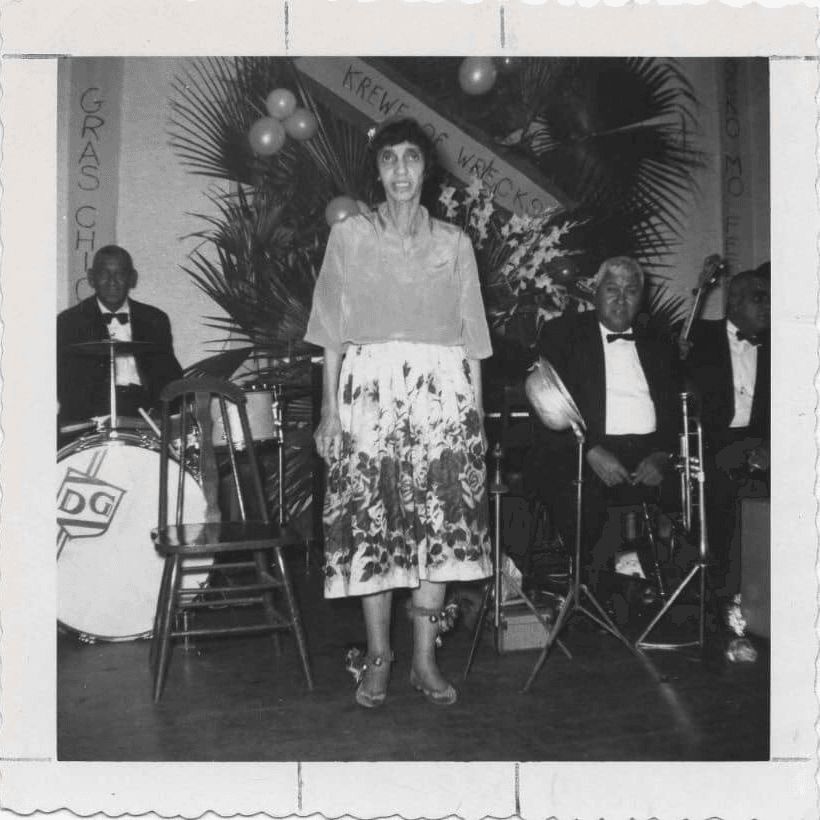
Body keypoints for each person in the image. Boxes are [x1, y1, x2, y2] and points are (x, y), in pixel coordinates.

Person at [305, 118, 493, 708]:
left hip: (443, 399)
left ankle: (424, 660)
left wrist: (476, 419)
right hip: (369, 398)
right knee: (373, 529)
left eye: (413, 158)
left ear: (425, 169)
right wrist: (330, 415)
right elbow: (330, 335)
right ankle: (380, 658)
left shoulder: (455, 243)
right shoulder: (350, 237)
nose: (403, 170)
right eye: (391, 159)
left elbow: (473, 341)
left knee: (439, 529)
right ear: (379, 170)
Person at [528, 256, 679, 579]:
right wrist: (591, 451)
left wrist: (662, 455)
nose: (621, 299)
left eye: (631, 291)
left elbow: (674, 410)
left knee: (709, 490)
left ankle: (681, 596)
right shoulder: (562, 334)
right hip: (583, 452)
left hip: (649, 453)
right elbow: (545, 404)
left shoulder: (659, 340)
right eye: (612, 289)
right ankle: (599, 595)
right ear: (595, 293)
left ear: (642, 297)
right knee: (580, 498)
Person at [684, 265, 770, 593]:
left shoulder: (782, 345)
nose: (768, 307)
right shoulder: (699, 337)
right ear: (733, 303)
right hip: (713, 444)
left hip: (762, 440)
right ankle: (725, 594)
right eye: (759, 299)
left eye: (771, 300)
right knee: (727, 490)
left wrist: (772, 445)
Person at [57, 245, 183, 431]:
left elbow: (168, 373)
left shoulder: (155, 319)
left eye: (120, 274)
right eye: (104, 274)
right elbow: (64, 382)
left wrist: (161, 411)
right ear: (91, 278)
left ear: (132, 278)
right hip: (92, 413)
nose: (112, 281)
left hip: (145, 410)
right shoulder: (69, 321)